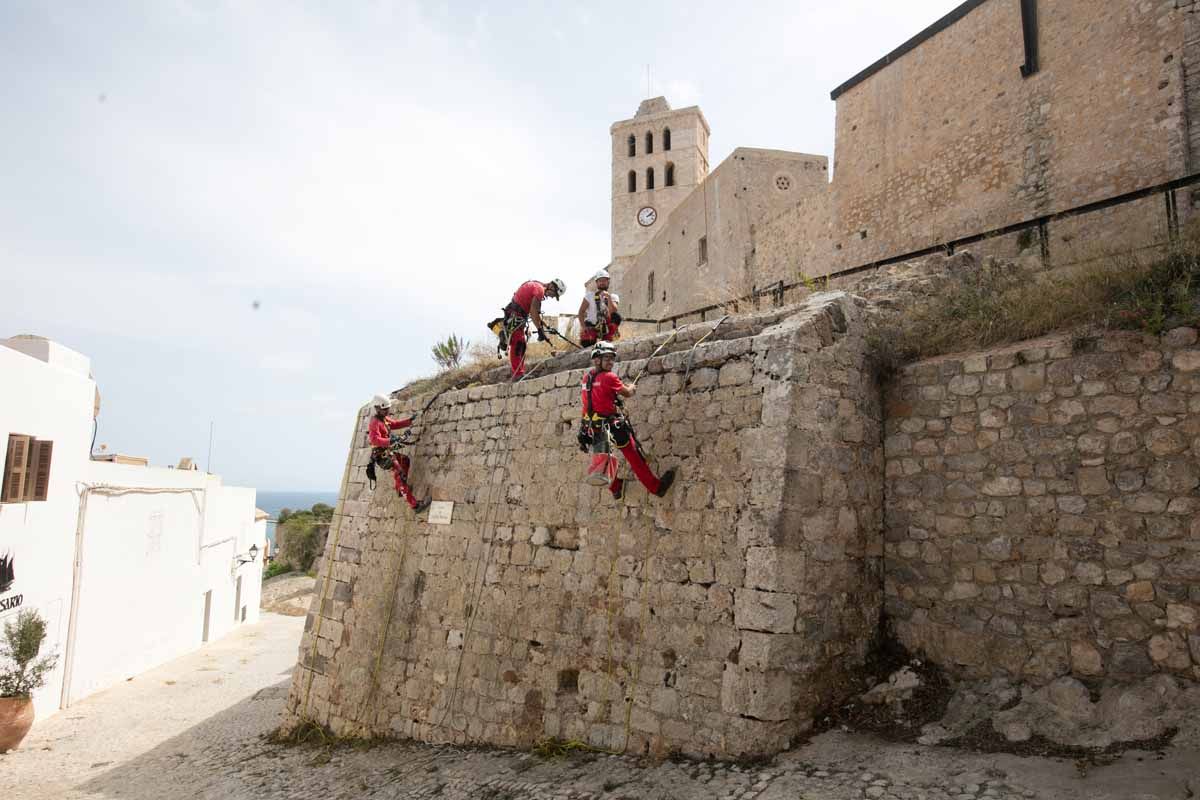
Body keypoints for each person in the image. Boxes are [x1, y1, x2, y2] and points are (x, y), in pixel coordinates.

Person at [577, 342, 676, 500]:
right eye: (607, 358)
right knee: (633, 456)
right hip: (612, 426)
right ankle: (656, 487)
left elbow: (590, 400)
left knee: (603, 457)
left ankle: (615, 488)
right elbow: (627, 393)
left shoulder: (586, 378)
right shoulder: (609, 377)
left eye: (612, 359)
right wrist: (632, 387)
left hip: (593, 426)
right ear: (597, 360)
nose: (611, 362)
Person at [368, 394, 430, 514]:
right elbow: (374, 440)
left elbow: (395, 424)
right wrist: (390, 441)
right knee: (400, 474)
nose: (387, 411)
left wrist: (410, 421)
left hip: (387, 451)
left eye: (387, 408)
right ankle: (415, 505)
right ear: (378, 408)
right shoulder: (374, 423)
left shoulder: (383, 419)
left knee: (405, 460)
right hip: (383, 455)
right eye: (385, 409)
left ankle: (400, 489)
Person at [500, 278, 566, 380]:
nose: (552, 297)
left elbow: (535, 314)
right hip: (516, 316)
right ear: (552, 286)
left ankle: (519, 372)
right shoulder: (539, 290)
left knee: (521, 344)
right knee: (518, 344)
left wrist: (546, 327)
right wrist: (540, 330)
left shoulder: (536, 285)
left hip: (516, 314)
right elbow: (533, 311)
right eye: (554, 294)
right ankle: (518, 375)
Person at [577, 269, 621, 347]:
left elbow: (613, 311)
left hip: (606, 326)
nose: (602, 282)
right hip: (592, 325)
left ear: (608, 282)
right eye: (600, 281)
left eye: (604, 280)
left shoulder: (613, 296)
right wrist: (583, 327)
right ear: (596, 283)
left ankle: (607, 339)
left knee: (616, 316)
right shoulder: (589, 296)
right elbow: (581, 312)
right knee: (587, 342)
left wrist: (608, 298)